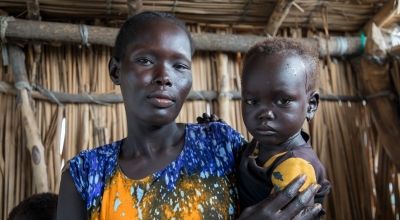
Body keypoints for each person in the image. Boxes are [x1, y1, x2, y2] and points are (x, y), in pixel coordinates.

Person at [57, 11, 323, 220]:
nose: (164, 77)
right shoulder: (84, 174)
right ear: (116, 71)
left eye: (179, 65)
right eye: (146, 61)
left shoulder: (221, 145)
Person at [237, 38, 330, 212]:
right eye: (252, 101)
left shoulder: (295, 168)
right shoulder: (260, 147)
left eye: (283, 100)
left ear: (311, 105)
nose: (265, 113)